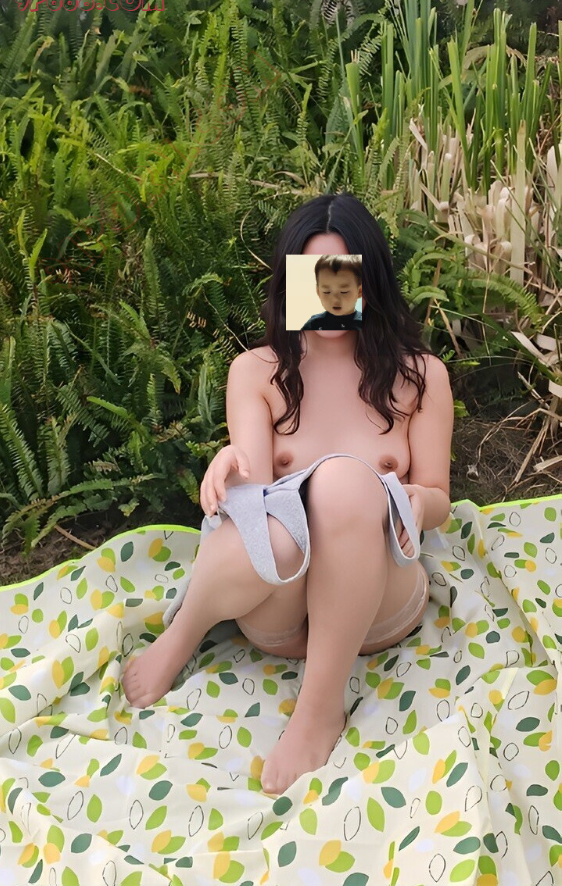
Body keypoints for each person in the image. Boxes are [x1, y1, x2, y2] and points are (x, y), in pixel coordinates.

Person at [123, 192, 454, 796]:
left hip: (375, 599)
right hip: (278, 599)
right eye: (313, 276)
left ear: (370, 278)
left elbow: (439, 496)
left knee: (344, 482)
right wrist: (229, 465)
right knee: (271, 526)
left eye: (342, 274)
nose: (330, 292)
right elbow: (254, 495)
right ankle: (186, 629)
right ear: (290, 281)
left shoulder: (420, 375)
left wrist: (413, 503)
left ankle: (319, 709)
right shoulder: (257, 371)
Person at [300, 254, 363, 330]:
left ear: (360, 291)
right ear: (318, 292)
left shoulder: (367, 324)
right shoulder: (313, 324)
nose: (335, 299)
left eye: (344, 292)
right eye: (326, 292)